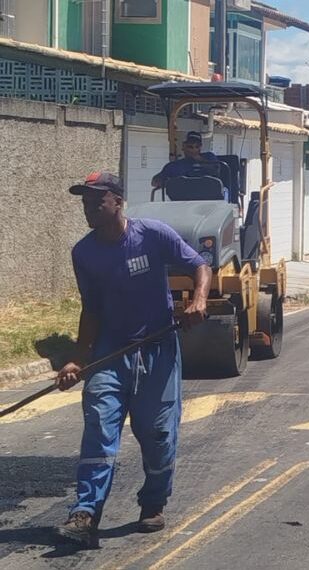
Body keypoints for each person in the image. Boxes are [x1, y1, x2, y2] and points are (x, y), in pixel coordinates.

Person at [53, 171, 212, 548]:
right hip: (109, 352)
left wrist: (199, 300)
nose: (89, 209)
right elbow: (90, 310)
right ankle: (85, 513)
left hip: (157, 349)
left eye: (97, 201)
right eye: (85, 202)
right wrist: (78, 359)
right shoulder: (84, 252)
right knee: (99, 428)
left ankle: (154, 501)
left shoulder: (153, 235)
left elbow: (199, 265)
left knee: (158, 434)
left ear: (118, 201)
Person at [150, 131, 220, 189]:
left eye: (197, 146)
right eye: (190, 146)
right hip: (182, 201)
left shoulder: (209, 157)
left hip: (209, 199)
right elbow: (154, 182)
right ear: (183, 146)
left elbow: (217, 171)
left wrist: (200, 160)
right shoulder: (174, 166)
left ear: (200, 147)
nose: (193, 149)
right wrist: (170, 183)